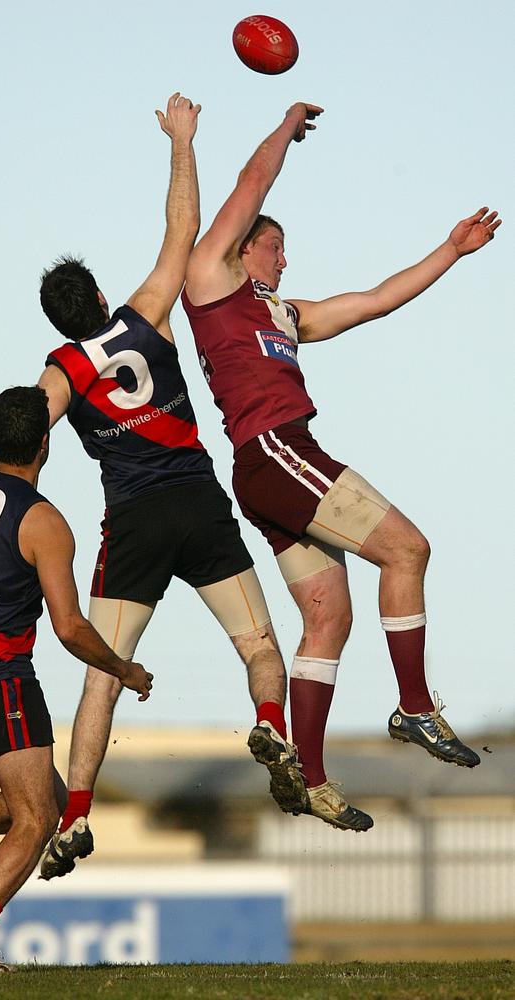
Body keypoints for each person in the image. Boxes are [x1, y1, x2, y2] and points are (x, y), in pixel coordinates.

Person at [0, 93, 307, 883]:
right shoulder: (146, 313)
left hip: (132, 521)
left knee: (103, 670)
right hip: (196, 501)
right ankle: (269, 724)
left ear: (58, 322)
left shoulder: (61, 372)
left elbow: (11, 443)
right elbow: (181, 232)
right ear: (95, 300)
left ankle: (74, 813)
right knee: (259, 644)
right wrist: (183, 140)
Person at [182, 100, 500, 831]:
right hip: (278, 451)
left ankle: (314, 780)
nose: (284, 257)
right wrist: (285, 125)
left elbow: (375, 302)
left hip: (273, 467)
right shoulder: (213, 277)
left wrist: (451, 250)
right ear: (245, 249)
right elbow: (251, 184)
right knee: (409, 549)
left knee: (329, 620)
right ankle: (415, 706)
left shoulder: (284, 312)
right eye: (275, 247)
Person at [0, 385, 152, 973]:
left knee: (49, 799)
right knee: (38, 819)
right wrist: (123, 669)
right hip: (1, 681)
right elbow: (70, 628)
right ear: (47, 443)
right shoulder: (45, 522)